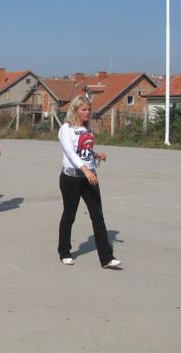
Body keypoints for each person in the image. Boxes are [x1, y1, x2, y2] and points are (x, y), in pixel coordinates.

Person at [57, 95, 119, 267]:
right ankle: (64, 251)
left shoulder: (87, 129)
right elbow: (71, 153)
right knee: (69, 214)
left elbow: (83, 149)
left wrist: (96, 154)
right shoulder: (66, 129)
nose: (87, 112)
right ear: (75, 110)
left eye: (88, 109)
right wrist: (85, 170)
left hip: (89, 176)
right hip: (71, 178)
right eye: (83, 109)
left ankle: (106, 258)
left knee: (97, 216)